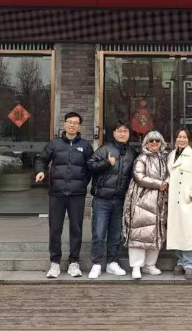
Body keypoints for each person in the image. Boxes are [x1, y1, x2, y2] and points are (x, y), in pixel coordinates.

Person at [35, 112, 93, 279]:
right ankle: (55, 263)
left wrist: (83, 183)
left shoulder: (85, 146)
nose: (72, 125)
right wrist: (40, 171)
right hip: (57, 193)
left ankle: (74, 262)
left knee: (76, 229)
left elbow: (91, 167)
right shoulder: (55, 144)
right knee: (55, 229)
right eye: (69, 122)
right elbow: (41, 159)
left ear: (79, 126)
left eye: (75, 122)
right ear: (65, 124)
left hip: (77, 194)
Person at [86, 121, 138, 279]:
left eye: (125, 131)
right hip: (102, 199)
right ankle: (96, 264)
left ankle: (112, 263)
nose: (122, 133)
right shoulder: (105, 149)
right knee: (99, 233)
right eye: (119, 131)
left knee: (116, 234)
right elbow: (90, 165)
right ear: (114, 133)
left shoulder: (132, 152)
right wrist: (107, 163)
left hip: (121, 199)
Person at [123, 130, 168, 280]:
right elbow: (139, 177)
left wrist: (166, 182)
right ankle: (136, 266)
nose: (154, 143)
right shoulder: (141, 158)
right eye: (151, 141)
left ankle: (150, 265)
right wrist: (159, 184)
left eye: (157, 141)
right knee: (139, 233)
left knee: (156, 233)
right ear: (146, 143)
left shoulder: (165, 158)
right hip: (142, 200)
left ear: (161, 143)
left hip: (160, 201)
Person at [166, 129, 192, 281]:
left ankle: (190, 264)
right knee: (176, 231)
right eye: (179, 137)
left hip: (186, 198)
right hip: (173, 198)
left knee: (187, 231)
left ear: (189, 139)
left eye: (184, 137)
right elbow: (170, 175)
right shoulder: (171, 155)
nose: (181, 139)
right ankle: (181, 261)